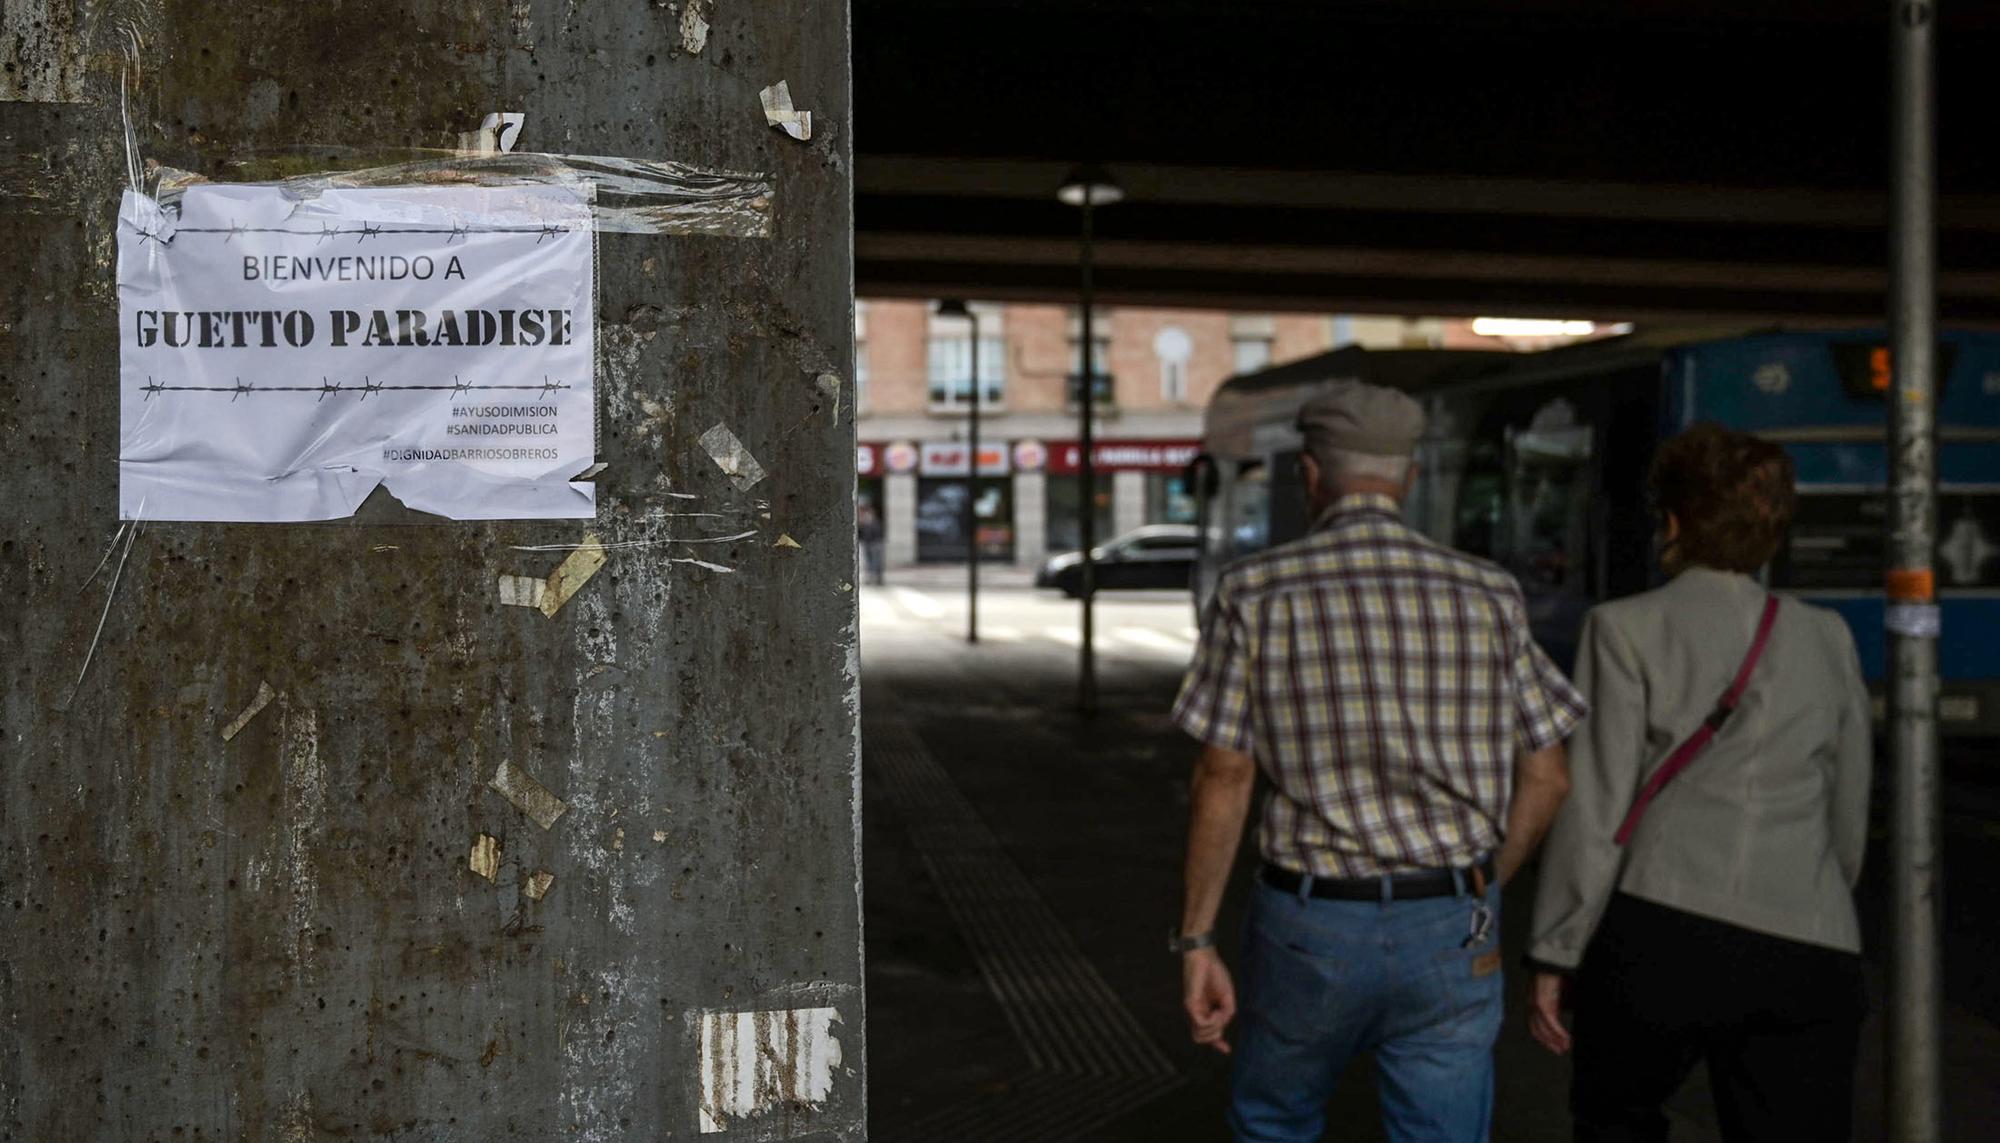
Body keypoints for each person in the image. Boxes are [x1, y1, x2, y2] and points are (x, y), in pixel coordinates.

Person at [1172, 380, 1586, 1143]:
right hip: (1452, 920)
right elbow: (1550, 773)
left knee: (1276, 1121)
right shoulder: (1490, 593)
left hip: (1310, 921)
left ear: (1309, 475)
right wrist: (1483, 882)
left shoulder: (1256, 591)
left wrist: (1197, 940)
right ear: (1411, 477)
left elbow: (1224, 776)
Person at [1525, 423, 1872, 1143]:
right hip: (1809, 940)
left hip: (1661, 930)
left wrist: (1557, 949)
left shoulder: (1623, 627)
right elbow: (1848, 808)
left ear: (1674, 519)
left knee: (1616, 1119)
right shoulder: (1827, 635)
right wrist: (1815, 900)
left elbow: (1597, 805)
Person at [857, 500, 885, 585]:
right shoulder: (864, 522)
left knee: (876, 561)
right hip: (867, 543)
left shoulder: (875, 521)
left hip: (875, 543)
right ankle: (871, 577)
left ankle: (877, 578)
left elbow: (878, 531)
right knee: (869, 561)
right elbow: (861, 532)